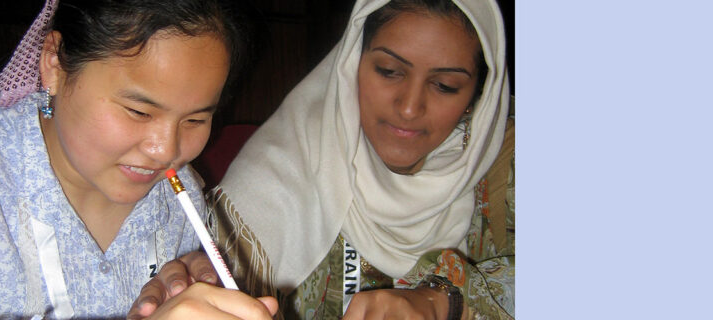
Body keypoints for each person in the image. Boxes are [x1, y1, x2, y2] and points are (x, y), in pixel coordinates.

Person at [132, 0, 513, 318]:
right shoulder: (278, 176)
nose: (410, 108)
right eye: (389, 71)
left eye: (445, 86)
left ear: (481, 92)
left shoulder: (508, 164)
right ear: (349, 64)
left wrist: (445, 301)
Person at [0, 0, 275, 318]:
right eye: (139, 112)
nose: (166, 151)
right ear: (54, 64)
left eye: (195, 120)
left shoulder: (178, 197)